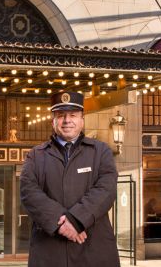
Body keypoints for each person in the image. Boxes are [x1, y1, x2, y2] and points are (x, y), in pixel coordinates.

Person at [20, 91, 120, 267]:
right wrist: (61, 224)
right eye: (61, 116)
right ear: (53, 121)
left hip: (93, 249)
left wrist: (76, 221)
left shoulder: (101, 151)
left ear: (82, 120)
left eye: (73, 115)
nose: (67, 121)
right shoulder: (36, 155)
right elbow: (29, 192)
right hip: (49, 251)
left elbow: (106, 189)